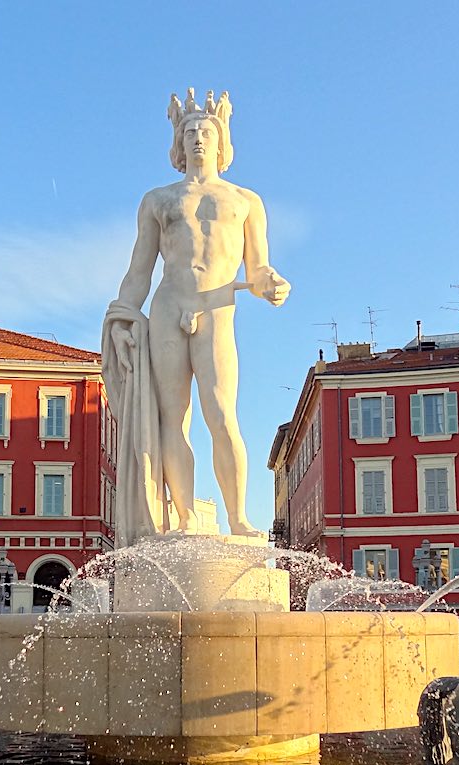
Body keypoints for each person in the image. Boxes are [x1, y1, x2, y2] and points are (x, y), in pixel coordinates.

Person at [103, 89, 289, 544]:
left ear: (221, 140)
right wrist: (125, 316)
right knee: (172, 418)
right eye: (189, 132)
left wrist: (269, 283)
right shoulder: (157, 200)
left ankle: (238, 518)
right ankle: (184, 518)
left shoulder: (245, 201)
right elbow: (139, 270)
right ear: (178, 143)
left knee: (222, 414)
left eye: (205, 131)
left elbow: (258, 266)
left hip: (216, 307)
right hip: (168, 307)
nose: (197, 138)